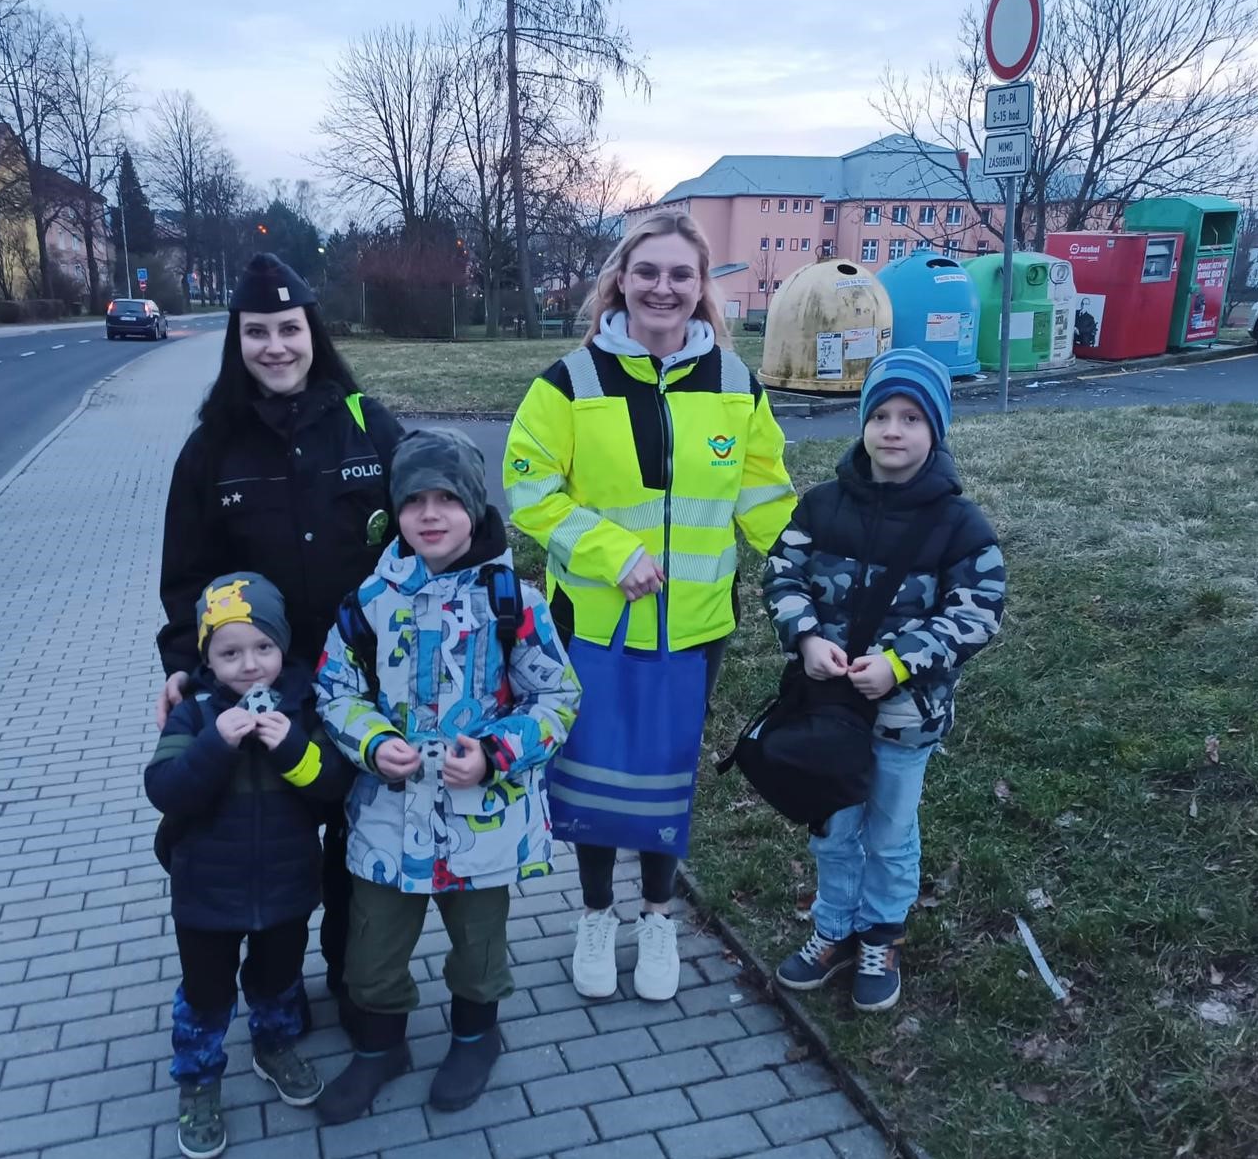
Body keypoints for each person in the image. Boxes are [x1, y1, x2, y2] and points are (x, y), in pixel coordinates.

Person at [503, 211, 796, 1002]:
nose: (663, 288)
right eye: (648, 272)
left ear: (701, 289)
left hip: (697, 628)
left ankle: (657, 916)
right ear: (621, 281)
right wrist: (610, 553)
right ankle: (596, 913)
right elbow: (529, 492)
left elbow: (764, 493)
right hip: (593, 624)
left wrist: (809, 564)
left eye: (680, 275)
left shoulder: (735, 386)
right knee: (597, 771)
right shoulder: (568, 382)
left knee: (666, 770)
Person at [312, 428, 582, 1123]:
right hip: (386, 816)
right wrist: (372, 744)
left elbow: (556, 697)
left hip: (479, 820)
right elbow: (335, 692)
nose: (429, 515)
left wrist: (496, 754)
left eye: (445, 499)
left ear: (473, 506)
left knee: (479, 948)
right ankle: (380, 1047)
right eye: (414, 502)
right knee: (371, 952)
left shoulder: (511, 601)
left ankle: (474, 1035)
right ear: (395, 512)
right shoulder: (366, 604)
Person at [154, 253, 403, 1007]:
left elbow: (431, 527)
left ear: (312, 334)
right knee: (281, 835)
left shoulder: (366, 426)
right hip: (267, 688)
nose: (275, 346)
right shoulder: (210, 449)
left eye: (288, 329)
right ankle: (276, 981)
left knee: (356, 842)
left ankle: (354, 980)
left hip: (364, 683)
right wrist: (180, 662)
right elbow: (185, 575)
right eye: (256, 332)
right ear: (237, 342)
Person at [763, 349, 1005, 1012]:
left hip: (905, 717)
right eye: (880, 415)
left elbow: (977, 615)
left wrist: (900, 663)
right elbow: (779, 575)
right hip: (825, 712)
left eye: (910, 418)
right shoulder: (819, 507)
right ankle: (832, 929)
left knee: (890, 831)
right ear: (863, 423)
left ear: (935, 431)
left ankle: (880, 934)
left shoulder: (959, 525)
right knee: (834, 828)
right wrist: (806, 635)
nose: (892, 431)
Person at [145, 572, 357, 1159]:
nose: (249, 665)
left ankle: (274, 1048)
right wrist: (216, 742)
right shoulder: (194, 715)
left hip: (287, 886)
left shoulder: (303, 708)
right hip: (206, 894)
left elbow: (332, 788)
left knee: (277, 981)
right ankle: (198, 1079)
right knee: (207, 994)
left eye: (263, 647)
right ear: (207, 657)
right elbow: (165, 789)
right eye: (229, 651)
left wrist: (291, 745)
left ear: (282, 647)